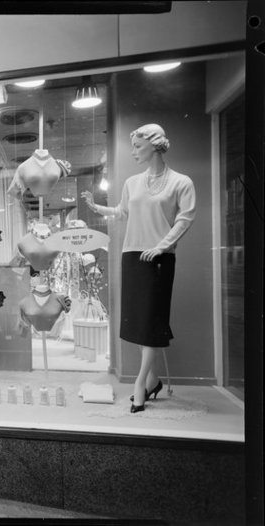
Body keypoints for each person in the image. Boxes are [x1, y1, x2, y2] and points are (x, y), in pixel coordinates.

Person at [81, 123, 196, 413]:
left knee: (151, 323)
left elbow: (186, 217)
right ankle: (153, 379)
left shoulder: (180, 182)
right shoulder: (133, 182)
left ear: (155, 145)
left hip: (158, 258)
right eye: (132, 146)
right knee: (136, 323)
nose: (133, 151)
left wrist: (163, 245)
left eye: (138, 146)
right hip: (132, 255)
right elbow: (122, 211)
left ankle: (140, 383)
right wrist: (97, 209)